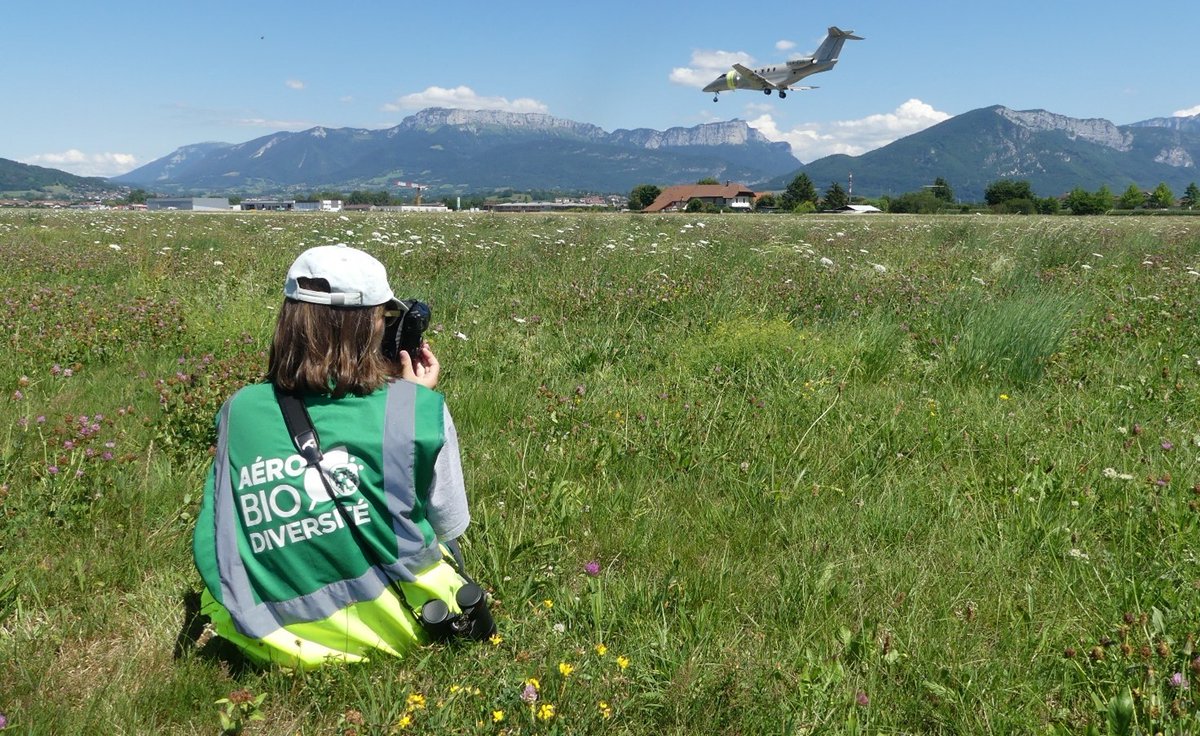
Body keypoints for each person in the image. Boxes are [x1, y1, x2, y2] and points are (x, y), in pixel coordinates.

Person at [192, 244, 477, 668]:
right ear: (368, 326)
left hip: (264, 631)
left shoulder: (239, 409)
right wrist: (411, 403)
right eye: (385, 317)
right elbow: (449, 522)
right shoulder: (414, 408)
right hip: (399, 624)